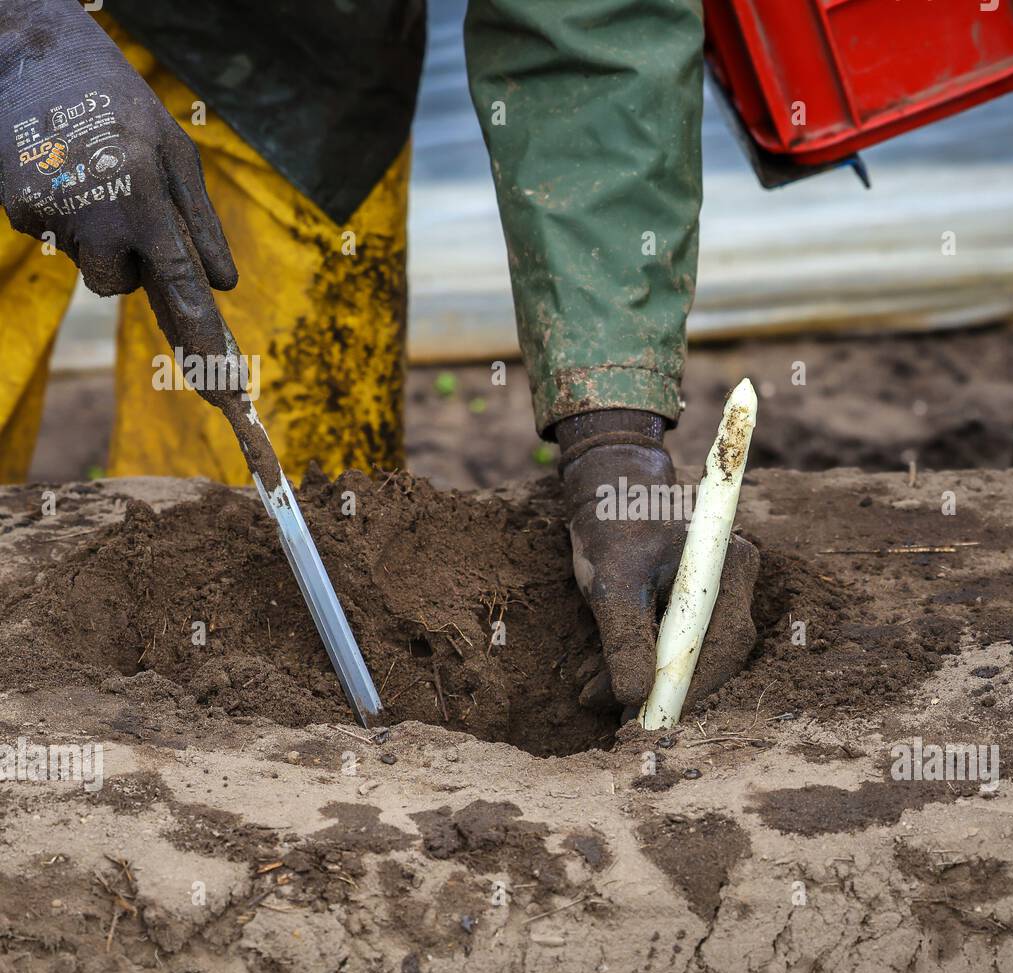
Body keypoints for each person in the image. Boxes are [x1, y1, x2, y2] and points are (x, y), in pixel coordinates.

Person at [0, 0, 755, 714]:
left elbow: (595, 33)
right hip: (32, 46)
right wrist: (25, 38)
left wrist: (614, 439)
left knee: (269, 547)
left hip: (299, 70)